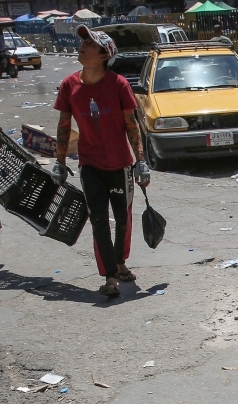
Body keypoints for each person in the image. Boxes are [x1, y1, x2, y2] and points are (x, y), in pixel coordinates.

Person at [52, 25, 150, 299]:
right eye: (83, 41)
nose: (82, 45)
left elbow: (132, 125)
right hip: (90, 164)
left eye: (90, 43)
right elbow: (63, 126)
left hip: (120, 165)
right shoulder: (69, 85)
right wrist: (59, 162)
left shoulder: (118, 84)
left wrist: (140, 161)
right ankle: (109, 275)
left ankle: (120, 262)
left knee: (122, 220)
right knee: (98, 221)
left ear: (104, 54)